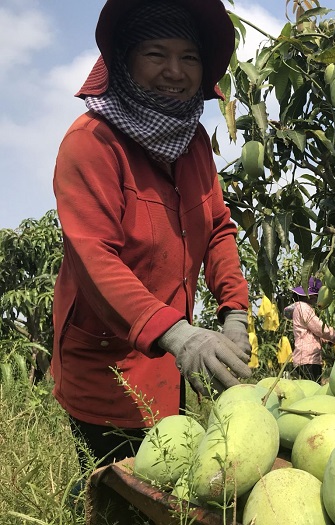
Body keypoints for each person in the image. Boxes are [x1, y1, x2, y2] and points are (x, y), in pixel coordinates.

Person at [51, 0, 252, 474]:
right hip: (107, 371)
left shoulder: (193, 142)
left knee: (171, 490)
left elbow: (218, 227)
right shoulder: (91, 143)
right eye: (156, 54)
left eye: (189, 57)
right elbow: (94, 259)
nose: (175, 71)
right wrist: (177, 334)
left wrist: (235, 311)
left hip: (171, 367)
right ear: (124, 60)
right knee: (115, 492)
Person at [283, 277, 335, 382]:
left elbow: (313, 333)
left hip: (307, 358)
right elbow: (320, 329)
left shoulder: (303, 307)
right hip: (308, 359)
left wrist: (329, 340)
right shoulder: (303, 308)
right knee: (311, 389)